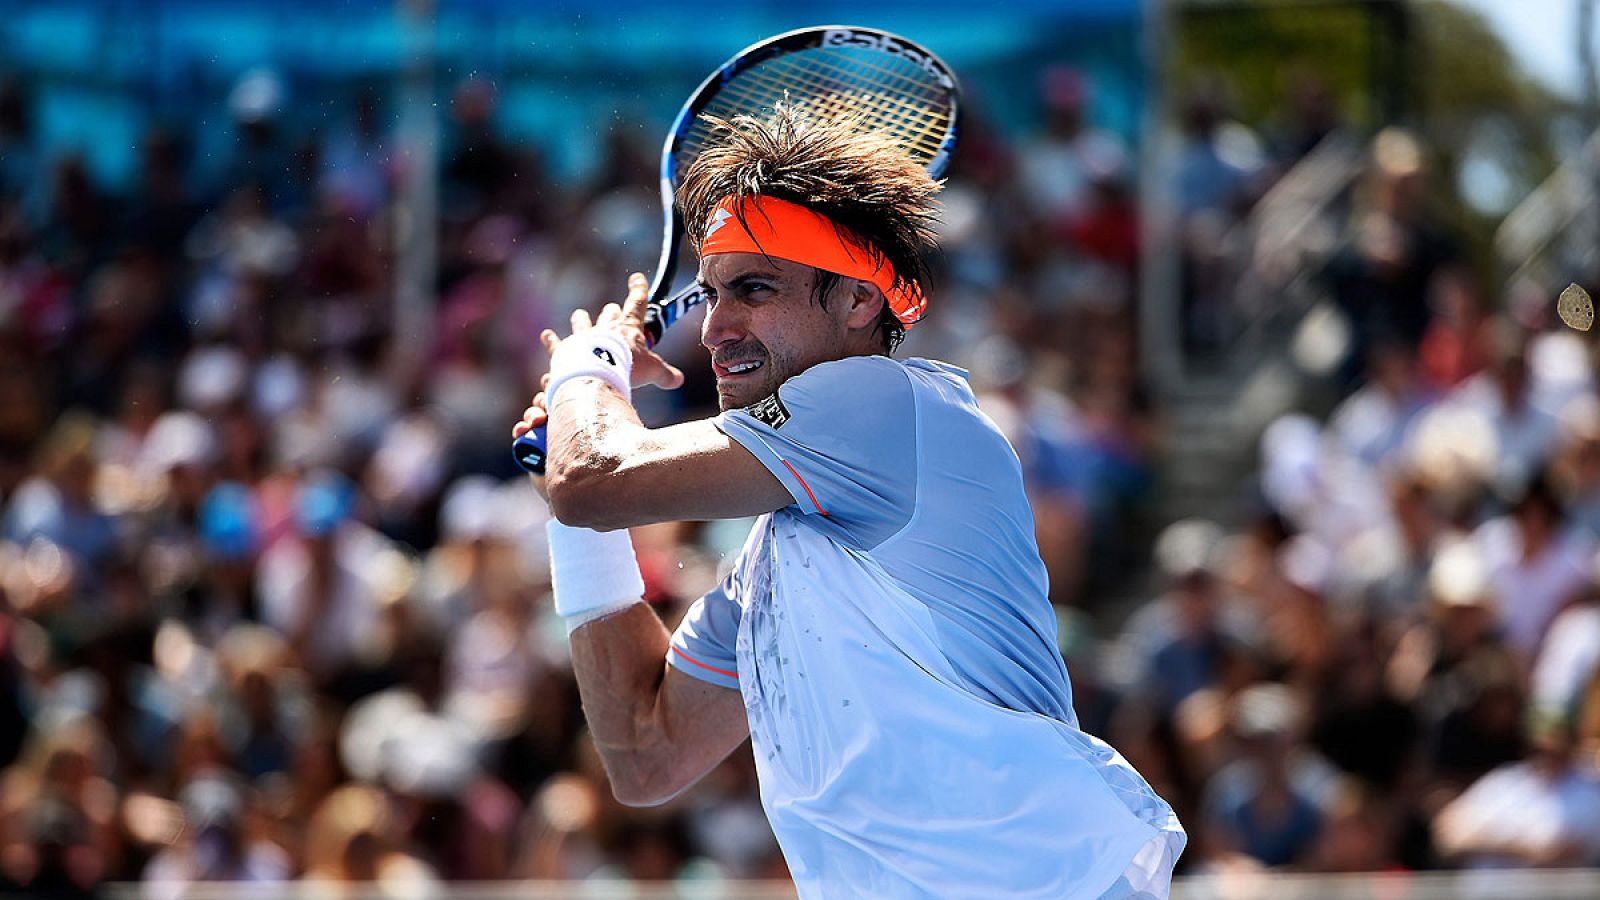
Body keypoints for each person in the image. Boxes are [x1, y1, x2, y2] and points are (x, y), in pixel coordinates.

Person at [511, 105, 1185, 899]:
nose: (717, 327)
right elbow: (644, 752)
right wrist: (571, 512)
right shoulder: (767, 560)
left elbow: (596, 477)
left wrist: (585, 369)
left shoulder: (885, 405)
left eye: (753, 289)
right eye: (712, 294)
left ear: (861, 300)